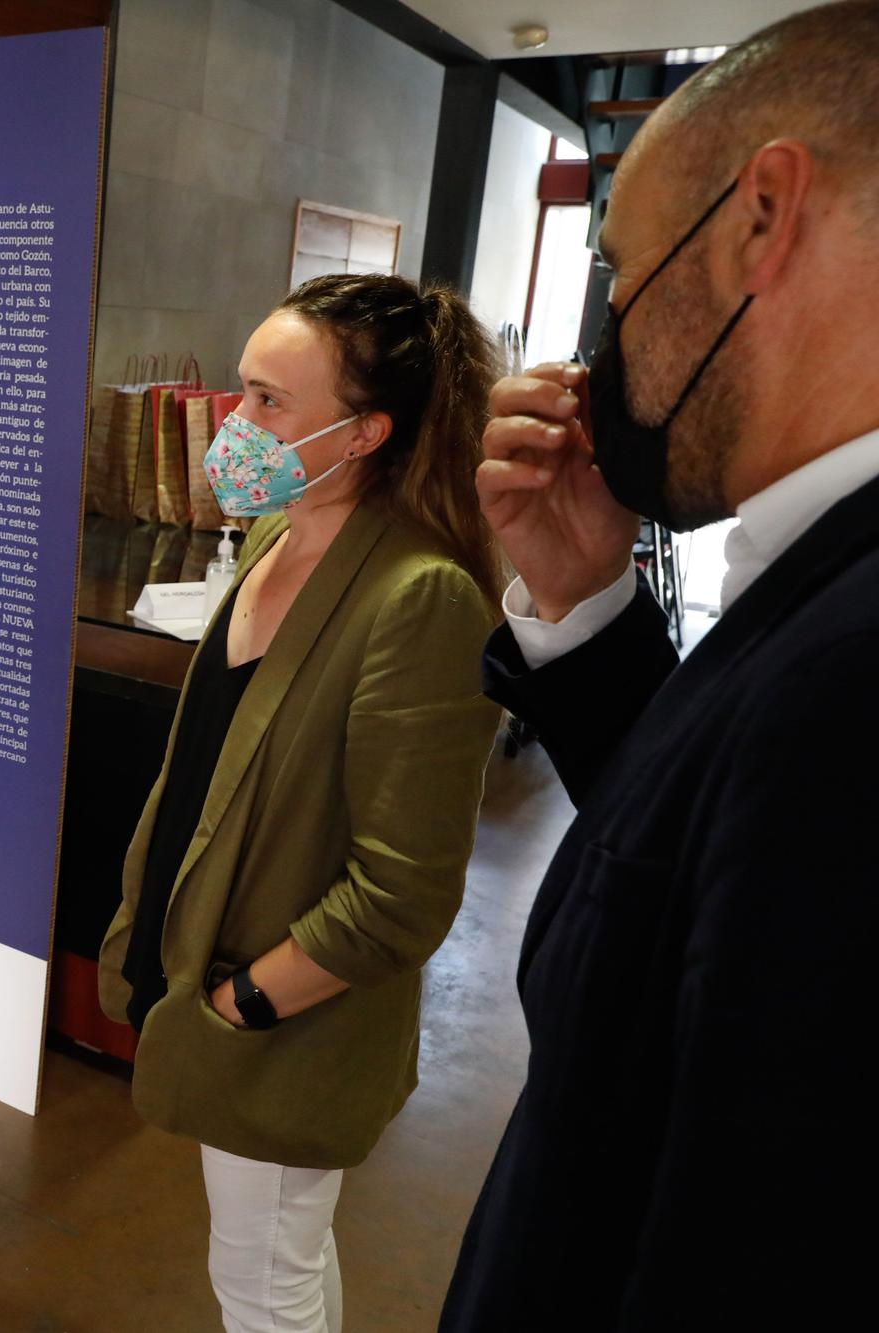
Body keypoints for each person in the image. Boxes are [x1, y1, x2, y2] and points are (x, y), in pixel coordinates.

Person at [442, 5, 879, 1327]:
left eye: (623, 276)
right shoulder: (819, 591)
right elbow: (706, 875)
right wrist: (582, 596)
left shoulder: (857, 681)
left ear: (763, 215)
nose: (607, 330)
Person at [96, 274, 504, 1332]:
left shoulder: (418, 595)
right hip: (210, 974)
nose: (234, 425)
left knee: (261, 1274)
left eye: (268, 402)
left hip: (282, 1011)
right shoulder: (283, 538)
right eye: (240, 393)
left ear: (364, 431)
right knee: (278, 1253)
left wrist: (247, 1003)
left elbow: (402, 893)